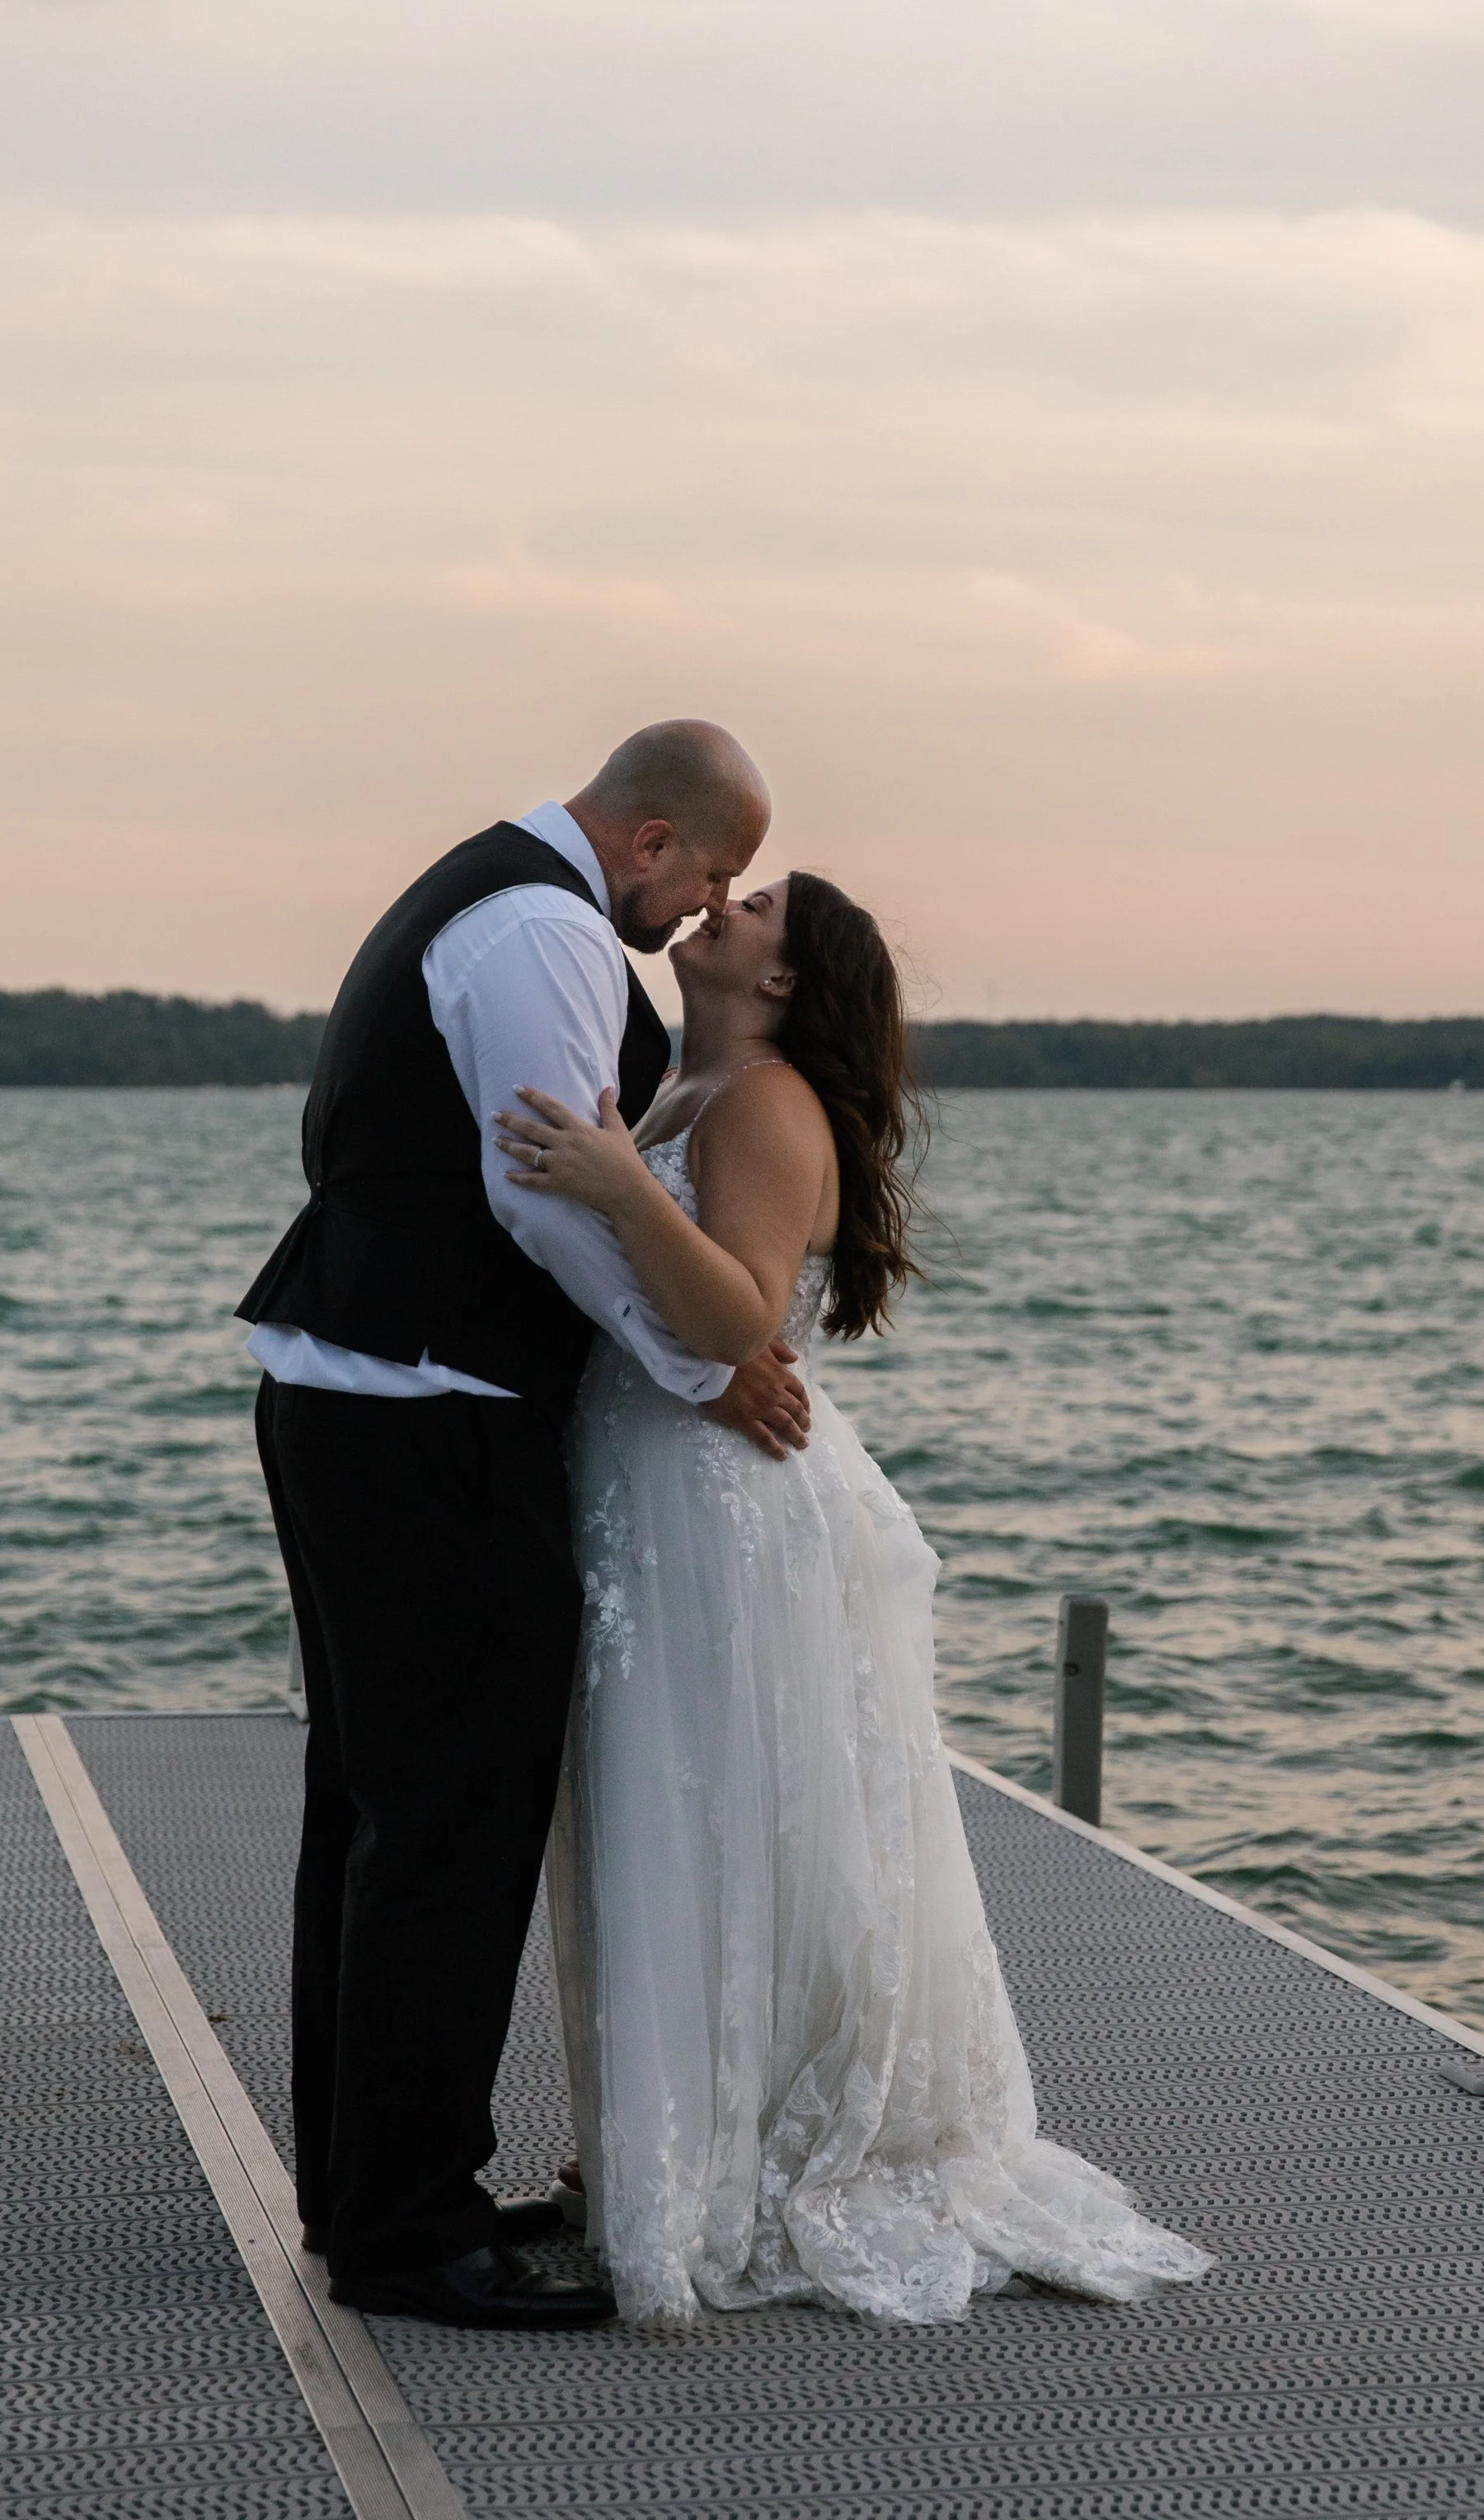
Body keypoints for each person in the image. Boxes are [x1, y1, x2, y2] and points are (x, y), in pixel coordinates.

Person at [496, 872, 1214, 2325]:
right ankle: (675, 2146)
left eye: (751, 905)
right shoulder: (686, 1080)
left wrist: (620, 1182)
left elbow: (738, 1319)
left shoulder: (762, 1101)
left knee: (720, 1823)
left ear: (782, 983)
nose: (717, 905)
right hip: (655, 1498)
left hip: (728, 1516)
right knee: (679, 1827)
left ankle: (742, 2163)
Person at [237, 722, 810, 2331]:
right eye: (710, 873)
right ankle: (410, 2233)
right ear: (645, 840)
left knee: (378, 1811)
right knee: (448, 1826)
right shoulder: (545, 927)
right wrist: (698, 1366)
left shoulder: (490, 899)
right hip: (425, 1418)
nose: (710, 907)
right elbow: (550, 1193)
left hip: (368, 1399)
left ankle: (373, 2188)